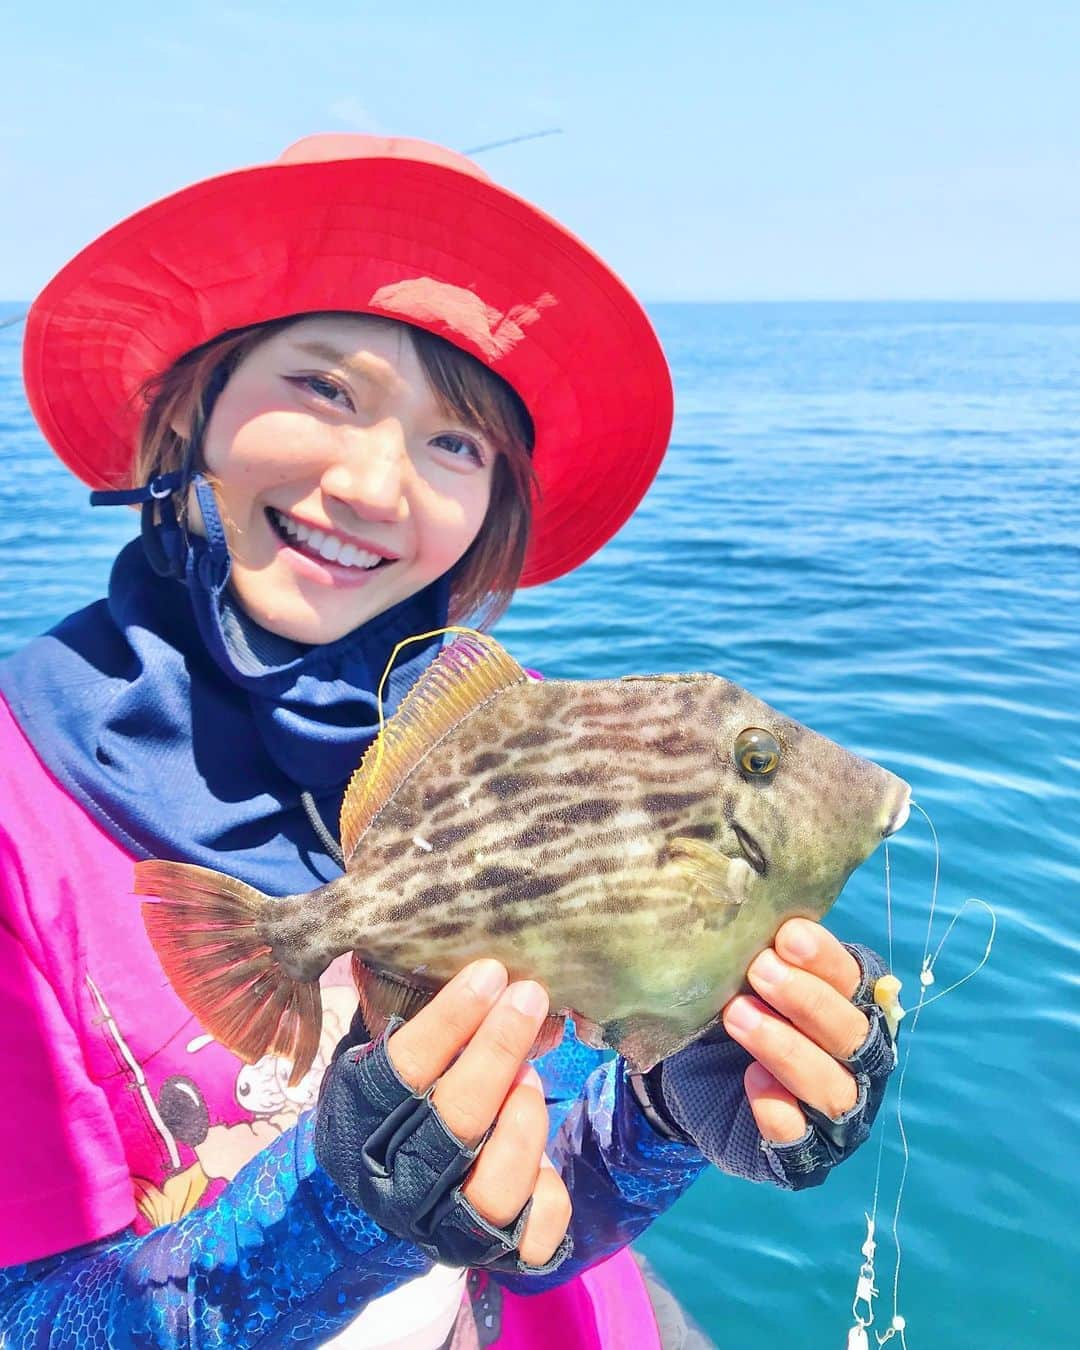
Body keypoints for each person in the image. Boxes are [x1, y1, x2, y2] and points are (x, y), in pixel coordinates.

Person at [0, 135, 897, 1348]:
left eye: (455, 440)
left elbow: (541, 1223)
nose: (377, 485)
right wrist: (335, 1216)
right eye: (324, 388)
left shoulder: (516, 738)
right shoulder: (20, 818)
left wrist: (676, 1107)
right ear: (193, 411)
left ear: (491, 509)